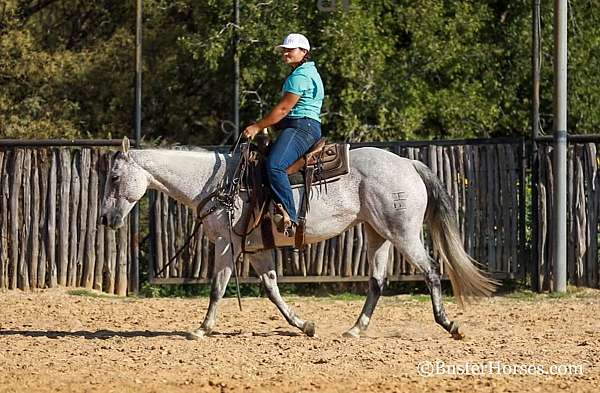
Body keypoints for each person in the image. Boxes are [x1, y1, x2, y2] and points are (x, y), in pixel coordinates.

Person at [243, 33, 324, 236]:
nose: (285, 52)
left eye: (291, 49)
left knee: (275, 165)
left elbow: (283, 110)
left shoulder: (299, 76)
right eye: (284, 49)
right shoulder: (309, 72)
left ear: (304, 52)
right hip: (303, 125)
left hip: (301, 128)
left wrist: (257, 126)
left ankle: (290, 215)